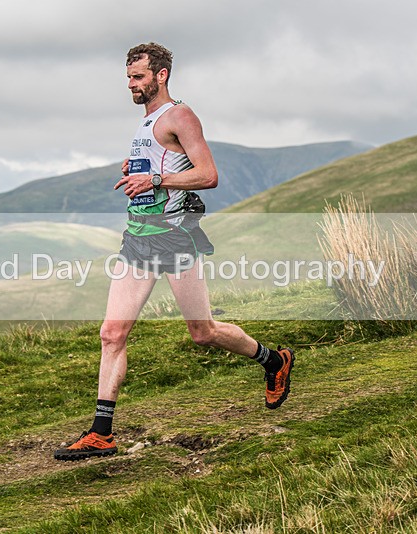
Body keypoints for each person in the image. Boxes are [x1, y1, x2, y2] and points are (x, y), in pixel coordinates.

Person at [54, 43, 294, 461]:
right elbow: (161, 168)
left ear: (161, 75)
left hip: (176, 239)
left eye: (139, 77)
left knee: (202, 333)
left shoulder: (179, 116)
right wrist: (136, 173)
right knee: (112, 333)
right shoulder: (146, 122)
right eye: (129, 77)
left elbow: (209, 174)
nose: (132, 84)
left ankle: (273, 361)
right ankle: (101, 433)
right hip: (138, 239)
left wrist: (156, 181)